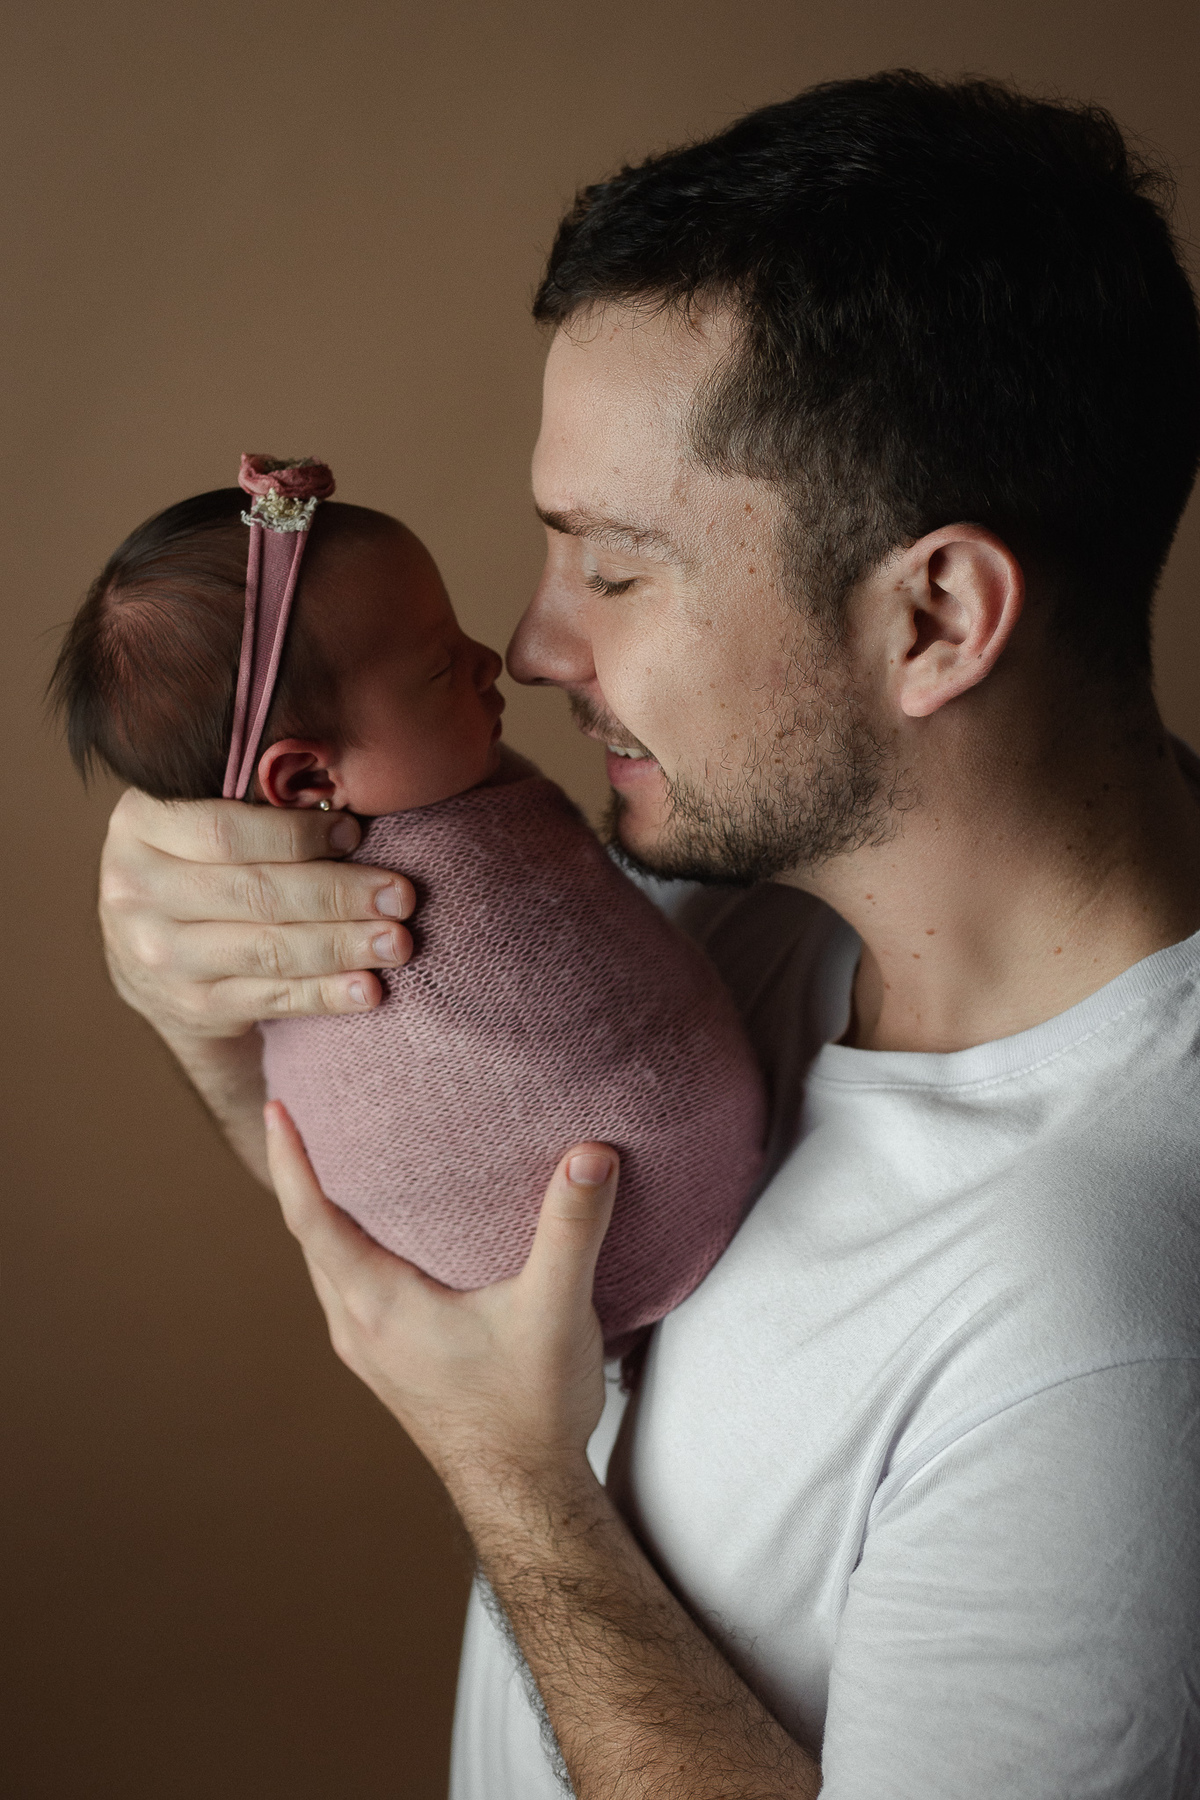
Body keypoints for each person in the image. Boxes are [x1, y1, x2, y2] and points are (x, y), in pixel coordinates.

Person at [95, 71, 1200, 1797]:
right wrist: (212, 999)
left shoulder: (1114, 1329)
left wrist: (515, 1481)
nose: (535, 646)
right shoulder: (708, 920)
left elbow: (498, 1412)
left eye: (613, 568)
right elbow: (434, 1190)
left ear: (935, 616)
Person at [53, 458, 764, 1356]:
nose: (493, 660)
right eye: (438, 665)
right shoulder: (375, 914)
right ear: (305, 779)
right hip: (585, 1262)